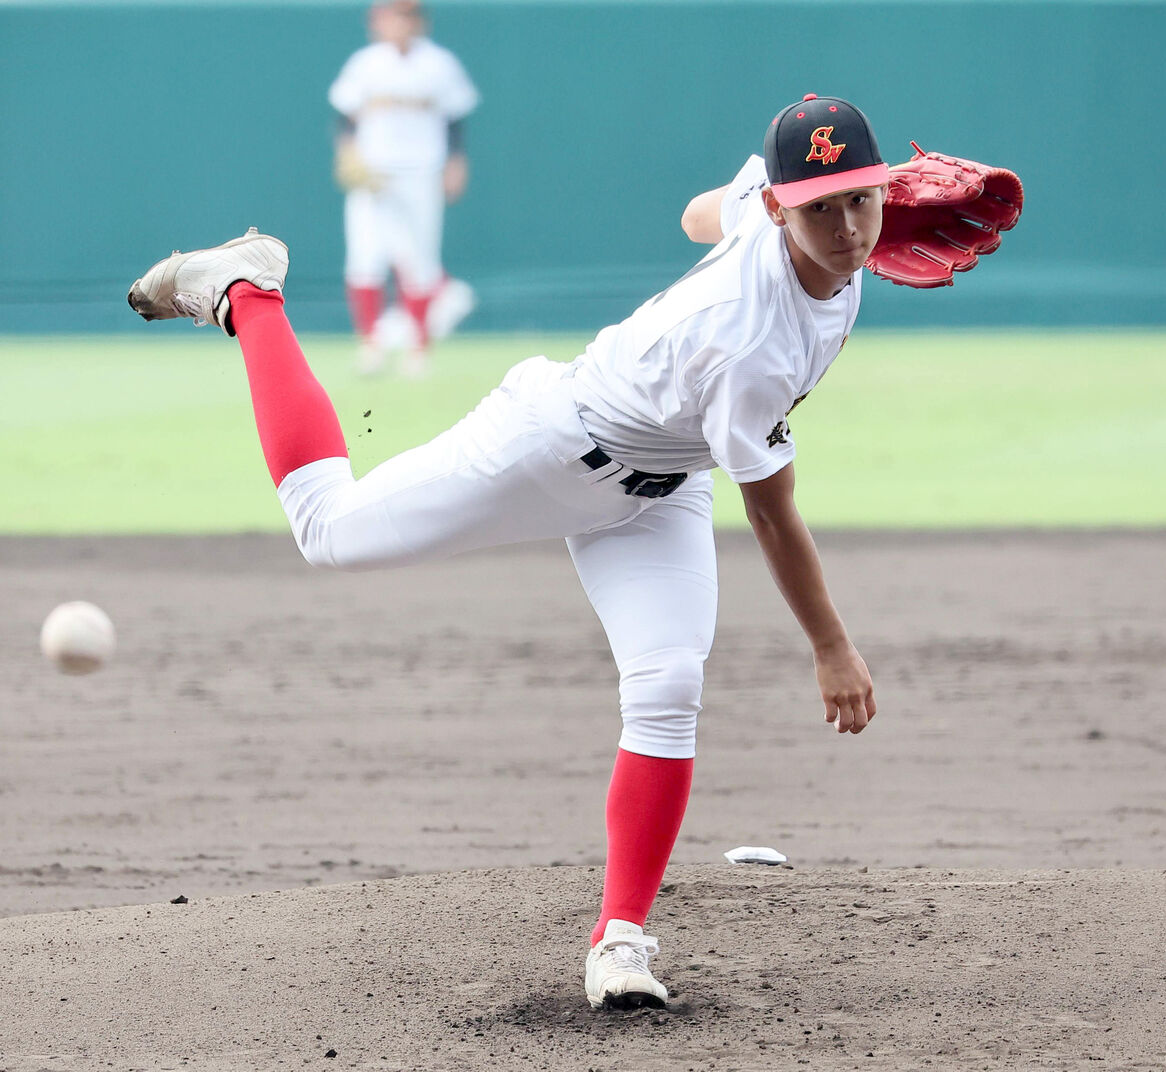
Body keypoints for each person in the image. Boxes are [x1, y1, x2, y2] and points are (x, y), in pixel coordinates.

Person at [128, 93, 884, 1011]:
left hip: (662, 488)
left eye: (862, 198)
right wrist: (831, 646)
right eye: (821, 207)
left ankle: (620, 943)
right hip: (553, 446)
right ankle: (246, 292)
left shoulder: (778, 203)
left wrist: (825, 206)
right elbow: (772, 515)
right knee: (327, 530)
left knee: (668, 684)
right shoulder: (750, 340)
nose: (847, 226)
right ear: (779, 208)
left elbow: (699, 215)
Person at [329, 0, 479, 377]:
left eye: (406, 15)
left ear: (419, 21)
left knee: (421, 260)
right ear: (377, 22)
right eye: (391, 15)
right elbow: (344, 118)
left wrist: (456, 162)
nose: (398, 23)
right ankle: (370, 345)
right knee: (365, 257)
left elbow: (455, 119)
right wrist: (347, 155)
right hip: (374, 175)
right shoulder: (365, 64)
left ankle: (419, 349)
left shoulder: (439, 63)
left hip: (421, 172)